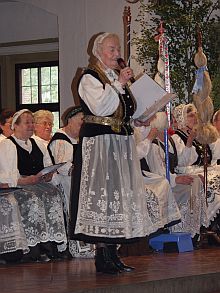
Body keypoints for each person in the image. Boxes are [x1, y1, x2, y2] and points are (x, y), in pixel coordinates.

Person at [69, 32, 157, 274]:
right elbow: (101, 107)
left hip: (119, 143)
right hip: (100, 144)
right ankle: (102, 255)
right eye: (112, 49)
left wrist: (137, 120)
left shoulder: (113, 78)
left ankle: (112, 254)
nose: (117, 54)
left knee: (117, 198)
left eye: (118, 49)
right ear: (98, 52)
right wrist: (118, 83)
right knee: (103, 197)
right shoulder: (89, 77)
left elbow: (122, 110)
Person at [0, 109, 67, 262]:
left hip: (36, 182)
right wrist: (25, 180)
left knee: (54, 194)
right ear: (15, 126)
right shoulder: (8, 145)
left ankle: (52, 244)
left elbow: (47, 165)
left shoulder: (37, 143)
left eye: (32, 122)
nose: (30, 125)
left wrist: (48, 175)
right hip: (20, 185)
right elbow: (7, 176)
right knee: (32, 198)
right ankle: (33, 247)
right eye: (26, 123)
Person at [144, 111, 209, 239]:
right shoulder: (154, 146)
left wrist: (189, 141)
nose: (172, 124)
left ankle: (193, 227)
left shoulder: (170, 142)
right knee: (191, 185)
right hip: (161, 183)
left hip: (171, 178)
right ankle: (181, 228)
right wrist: (176, 178)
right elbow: (159, 172)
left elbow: (182, 162)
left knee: (196, 181)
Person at [48, 106, 94, 258]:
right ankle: (78, 244)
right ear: (70, 120)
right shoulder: (61, 139)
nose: (83, 124)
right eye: (81, 120)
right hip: (66, 180)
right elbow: (62, 165)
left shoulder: (80, 138)